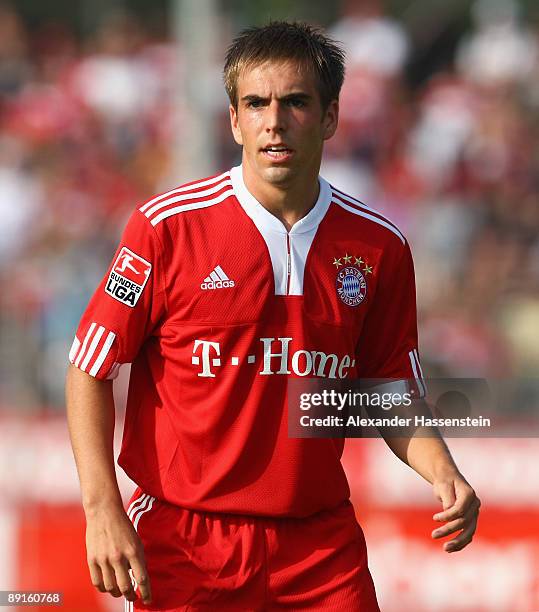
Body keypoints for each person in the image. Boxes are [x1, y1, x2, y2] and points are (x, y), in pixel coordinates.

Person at [66, 21, 480, 611]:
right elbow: (89, 369)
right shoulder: (167, 227)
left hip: (319, 548)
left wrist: (445, 473)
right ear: (234, 120)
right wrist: (101, 508)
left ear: (330, 117)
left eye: (295, 102)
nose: (274, 120)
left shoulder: (380, 245)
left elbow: (387, 388)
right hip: (186, 542)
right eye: (255, 103)